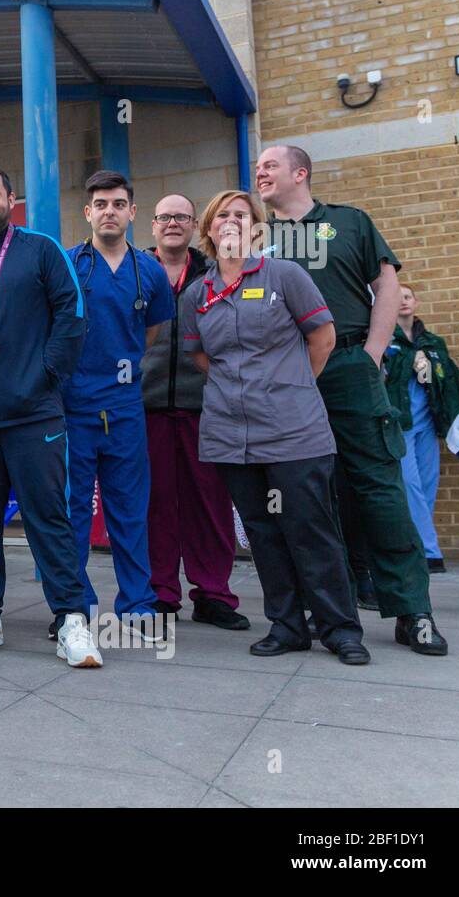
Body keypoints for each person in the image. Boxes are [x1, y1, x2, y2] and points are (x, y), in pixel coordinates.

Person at [258, 144, 447, 655]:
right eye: (257, 167)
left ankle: (413, 611)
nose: (260, 172)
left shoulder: (349, 222)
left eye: (269, 165)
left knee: (379, 485)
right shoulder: (255, 237)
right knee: (303, 496)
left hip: (347, 366)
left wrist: (372, 352)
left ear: (301, 172)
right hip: (286, 375)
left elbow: (387, 283)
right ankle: (326, 609)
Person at [180, 189, 369, 665]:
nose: (231, 221)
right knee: (262, 533)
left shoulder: (285, 275)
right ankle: (287, 626)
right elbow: (202, 356)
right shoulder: (195, 295)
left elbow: (322, 340)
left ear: (257, 229)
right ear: (208, 229)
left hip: (293, 431)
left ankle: (340, 628)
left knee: (311, 529)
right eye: (222, 214)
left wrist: (286, 387)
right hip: (230, 433)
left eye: (242, 215)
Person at [0, 165, 101, 666]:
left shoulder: (41, 251)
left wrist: (45, 376)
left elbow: (71, 316)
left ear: (11, 198)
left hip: (33, 416)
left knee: (47, 517)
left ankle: (71, 618)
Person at [62, 171, 175, 640]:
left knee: (129, 507)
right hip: (74, 406)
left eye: (118, 203)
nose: (109, 211)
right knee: (71, 509)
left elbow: (149, 334)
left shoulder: (148, 270)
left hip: (125, 407)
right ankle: (73, 603)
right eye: (101, 204)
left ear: (132, 212)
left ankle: (137, 602)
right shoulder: (69, 265)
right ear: (88, 213)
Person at [142, 195, 247, 629]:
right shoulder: (134, 270)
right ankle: (161, 592)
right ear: (151, 225)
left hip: (206, 406)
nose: (172, 223)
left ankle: (214, 594)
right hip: (145, 406)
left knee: (210, 504)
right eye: (164, 216)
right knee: (156, 503)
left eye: (181, 217)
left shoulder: (214, 272)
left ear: (193, 225)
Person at [384, 284, 459, 573]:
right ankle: (429, 551)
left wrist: (426, 364)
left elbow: (445, 382)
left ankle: (418, 544)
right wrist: (408, 360)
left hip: (427, 423)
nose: (403, 301)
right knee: (410, 485)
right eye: (397, 297)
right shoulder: (383, 339)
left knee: (428, 485)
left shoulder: (432, 342)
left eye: (407, 297)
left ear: (415, 302)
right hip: (400, 423)